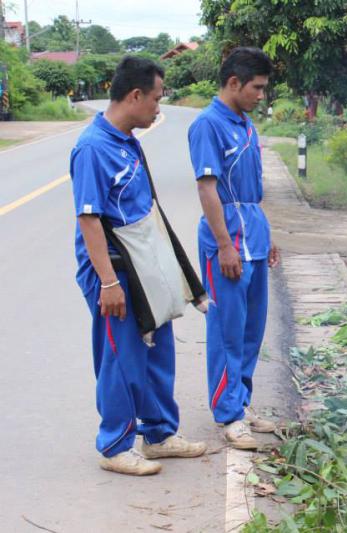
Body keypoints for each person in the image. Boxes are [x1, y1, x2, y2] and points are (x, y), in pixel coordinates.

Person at [70, 56, 207, 476]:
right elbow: (89, 219)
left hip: (145, 266)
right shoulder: (93, 148)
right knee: (122, 356)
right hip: (114, 271)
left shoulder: (128, 142)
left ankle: (160, 434)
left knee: (158, 350)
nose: (158, 108)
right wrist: (108, 283)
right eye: (156, 99)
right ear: (134, 95)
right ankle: (115, 445)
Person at [188, 47, 280, 450]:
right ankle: (228, 413)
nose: (261, 95)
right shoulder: (207, 125)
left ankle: (242, 400)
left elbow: (251, 192)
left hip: (254, 236)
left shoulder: (247, 125)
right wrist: (224, 244)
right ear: (233, 83)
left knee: (251, 330)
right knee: (227, 329)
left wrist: (267, 234)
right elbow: (207, 188)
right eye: (256, 88)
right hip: (227, 242)